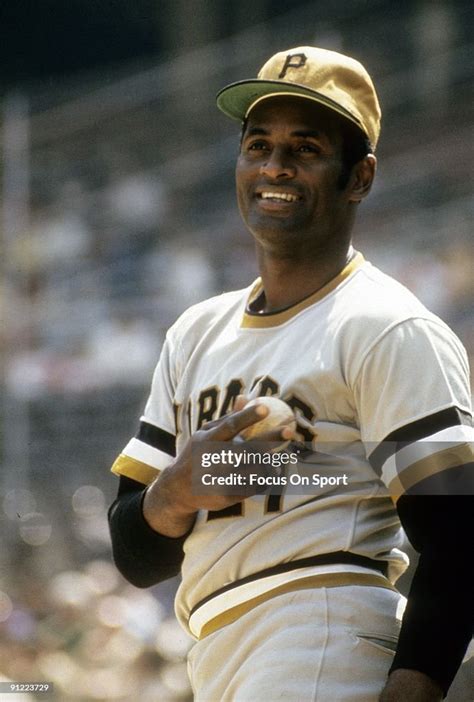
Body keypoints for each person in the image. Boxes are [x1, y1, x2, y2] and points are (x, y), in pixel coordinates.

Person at [108, 46, 473, 701]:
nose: (274, 166)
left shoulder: (385, 326)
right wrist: (179, 492)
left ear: (358, 177)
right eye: (258, 145)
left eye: (304, 148)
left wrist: (411, 691)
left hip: (321, 631)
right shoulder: (196, 333)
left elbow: (460, 542)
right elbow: (136, 555)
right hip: (217, 652)